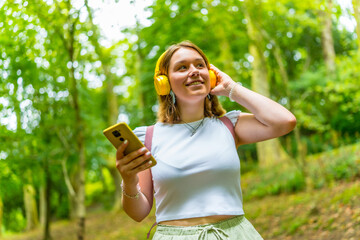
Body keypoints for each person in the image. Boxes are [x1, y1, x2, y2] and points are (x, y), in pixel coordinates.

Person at [115, 40, 296, 239]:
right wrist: (129, 181)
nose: (193, 71)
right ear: (164, 83)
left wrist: (231, 88)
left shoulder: (229, 126)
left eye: (200, 65)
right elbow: (138, 213)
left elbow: (285, 121)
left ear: (210, 75)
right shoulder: (147, 137)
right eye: (182, 67)